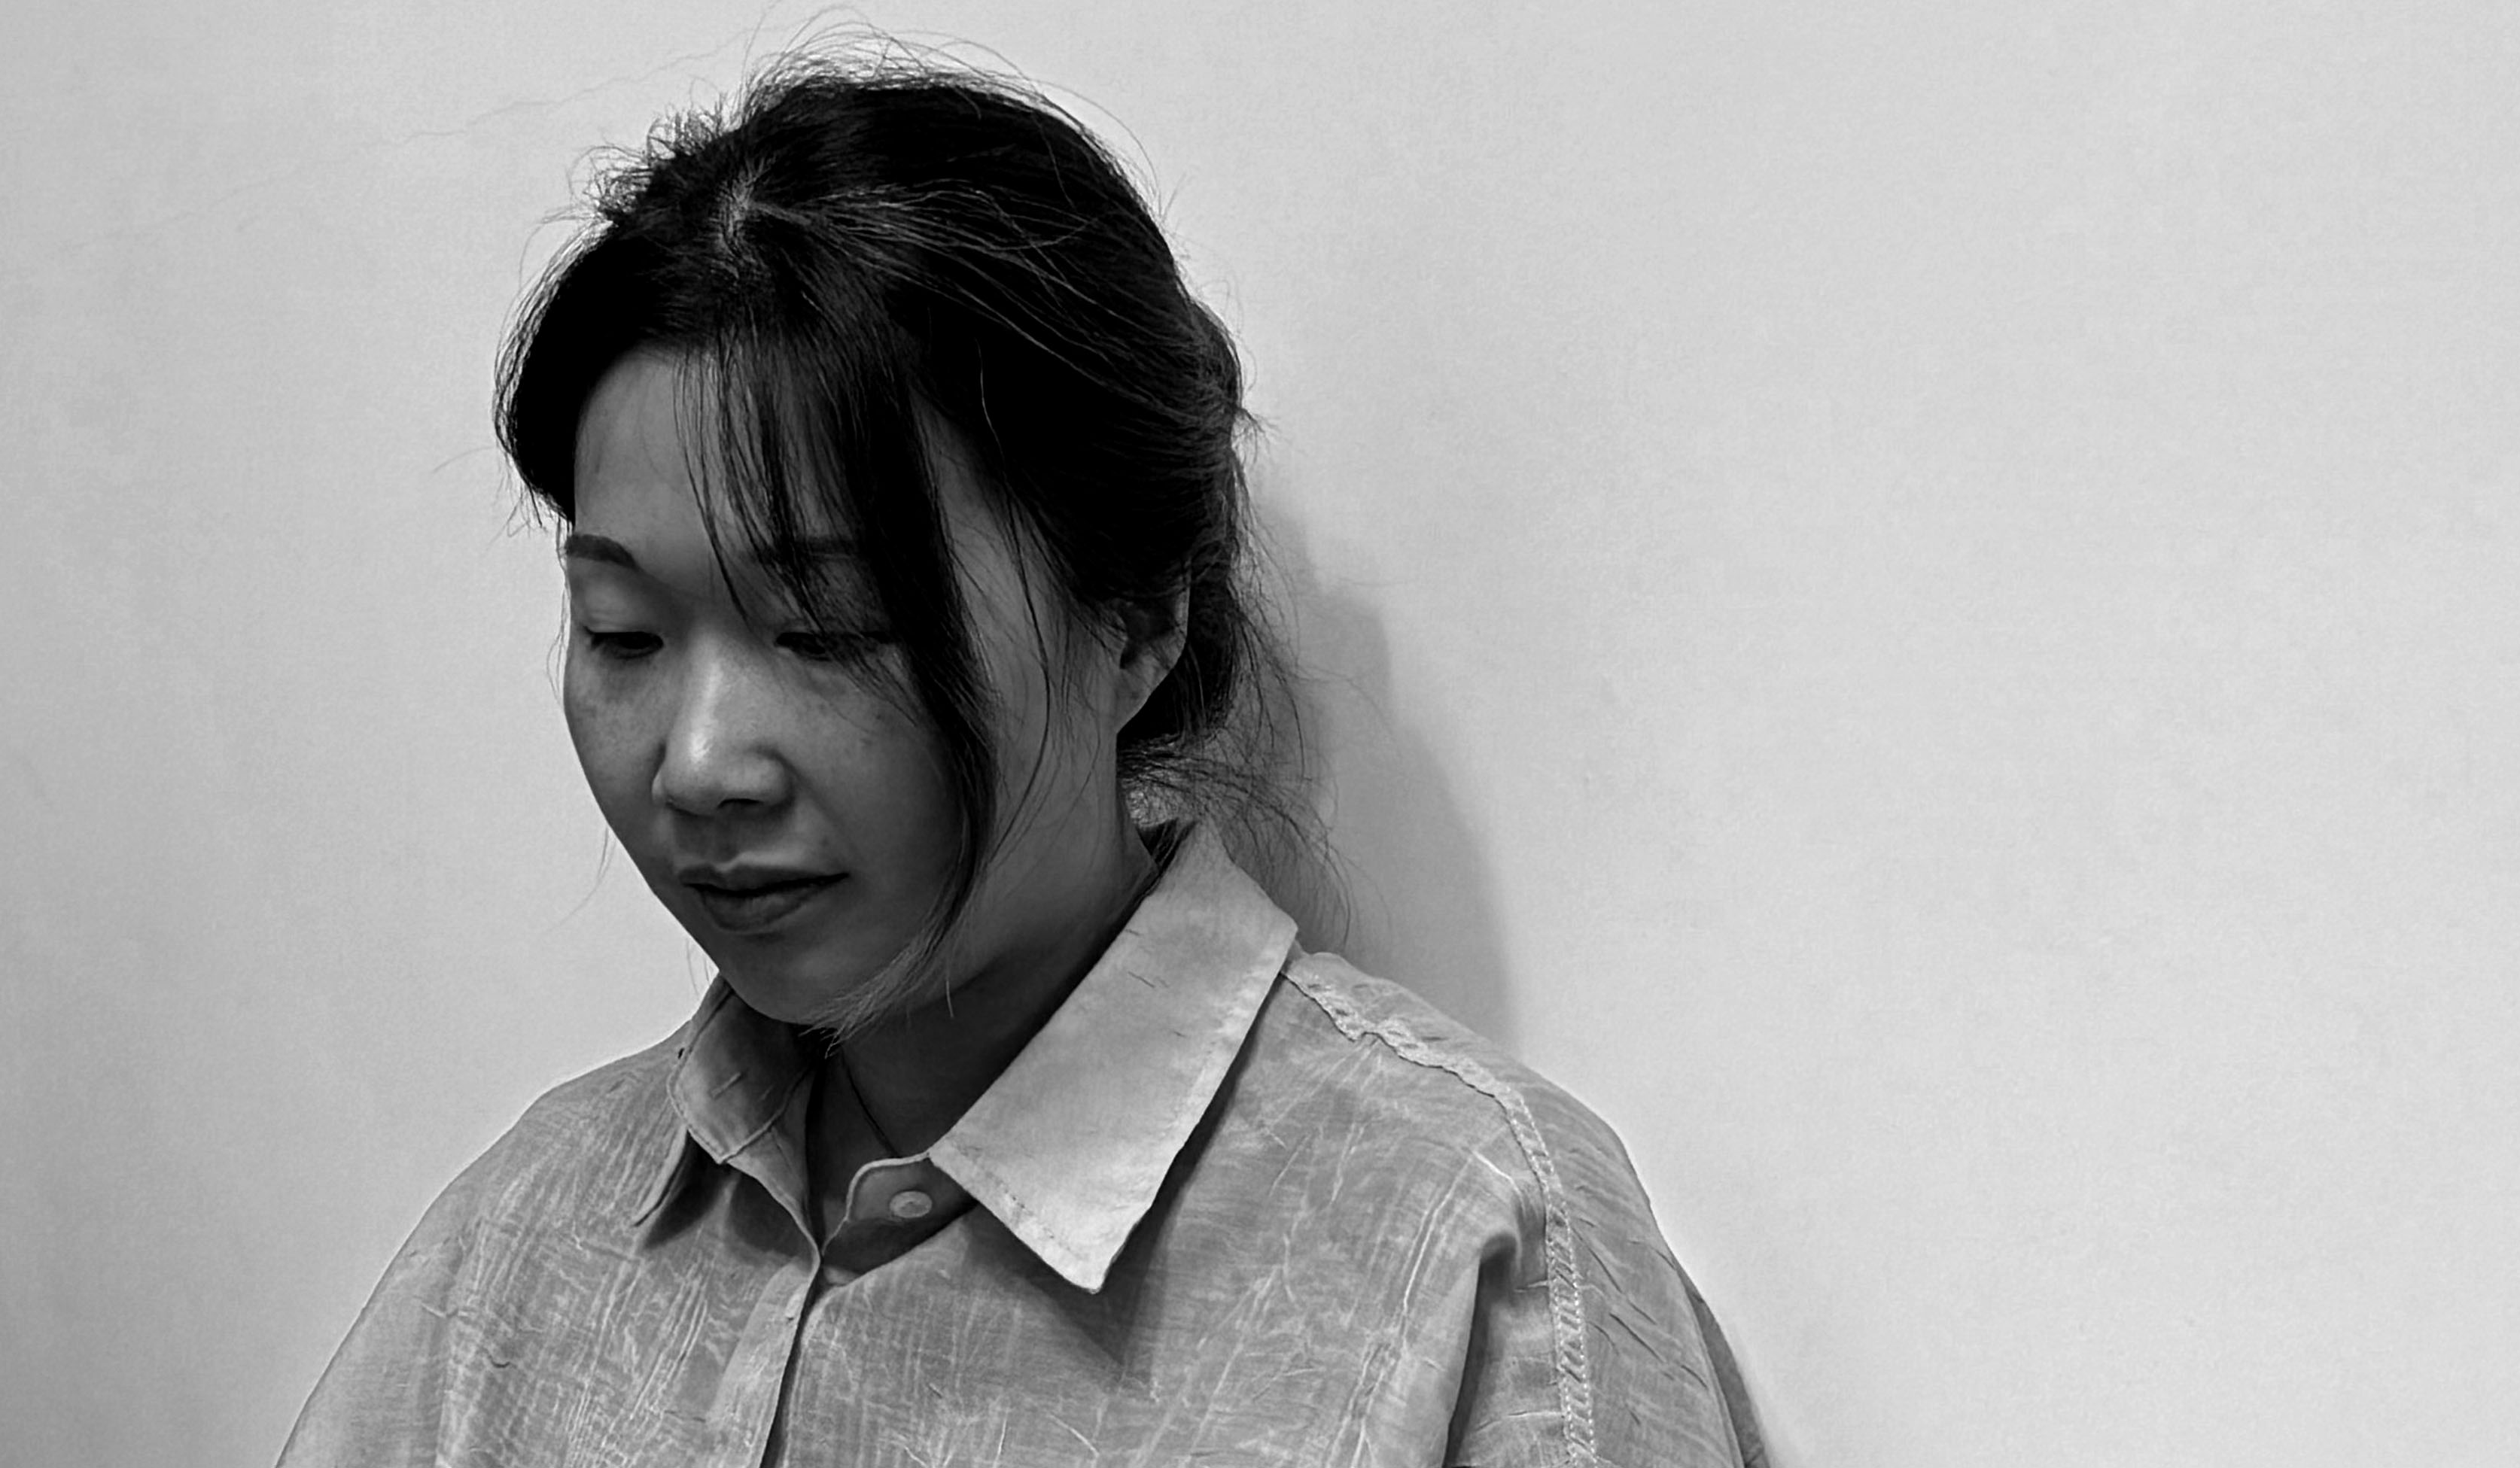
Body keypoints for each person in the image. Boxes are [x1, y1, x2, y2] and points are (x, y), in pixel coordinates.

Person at [280, 51, 1767, 1468]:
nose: (700, 761)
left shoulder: (1466, 1251)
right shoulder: (526, 1240)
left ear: (1138, 621)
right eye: (624, 634)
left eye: (830, 626)